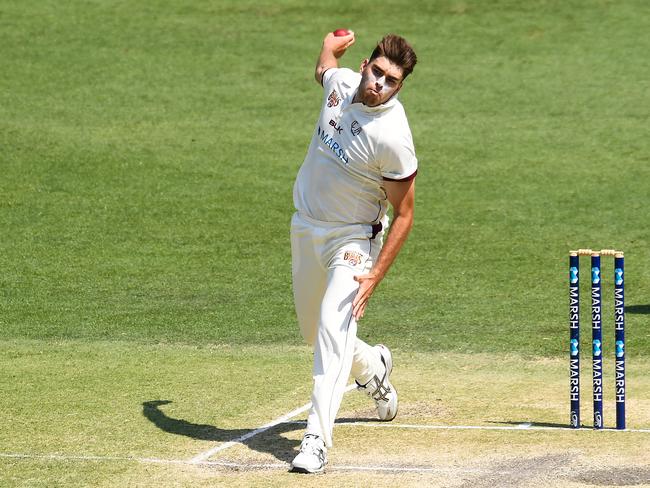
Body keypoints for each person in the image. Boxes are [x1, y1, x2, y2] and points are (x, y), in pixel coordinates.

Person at [289, 30, 418, 474]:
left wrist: (375, 275)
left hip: (353, 241)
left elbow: (404, 214)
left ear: (399, 87)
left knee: (329, 327)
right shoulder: (341, 84)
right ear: (366, 65)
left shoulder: (393, 137)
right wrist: (327, 43)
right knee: (313, 332)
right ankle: (372, 364)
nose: (380, 84)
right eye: (378, 72)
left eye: (391, 81)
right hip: (306, 228)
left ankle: (315, 441)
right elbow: (324, 67)